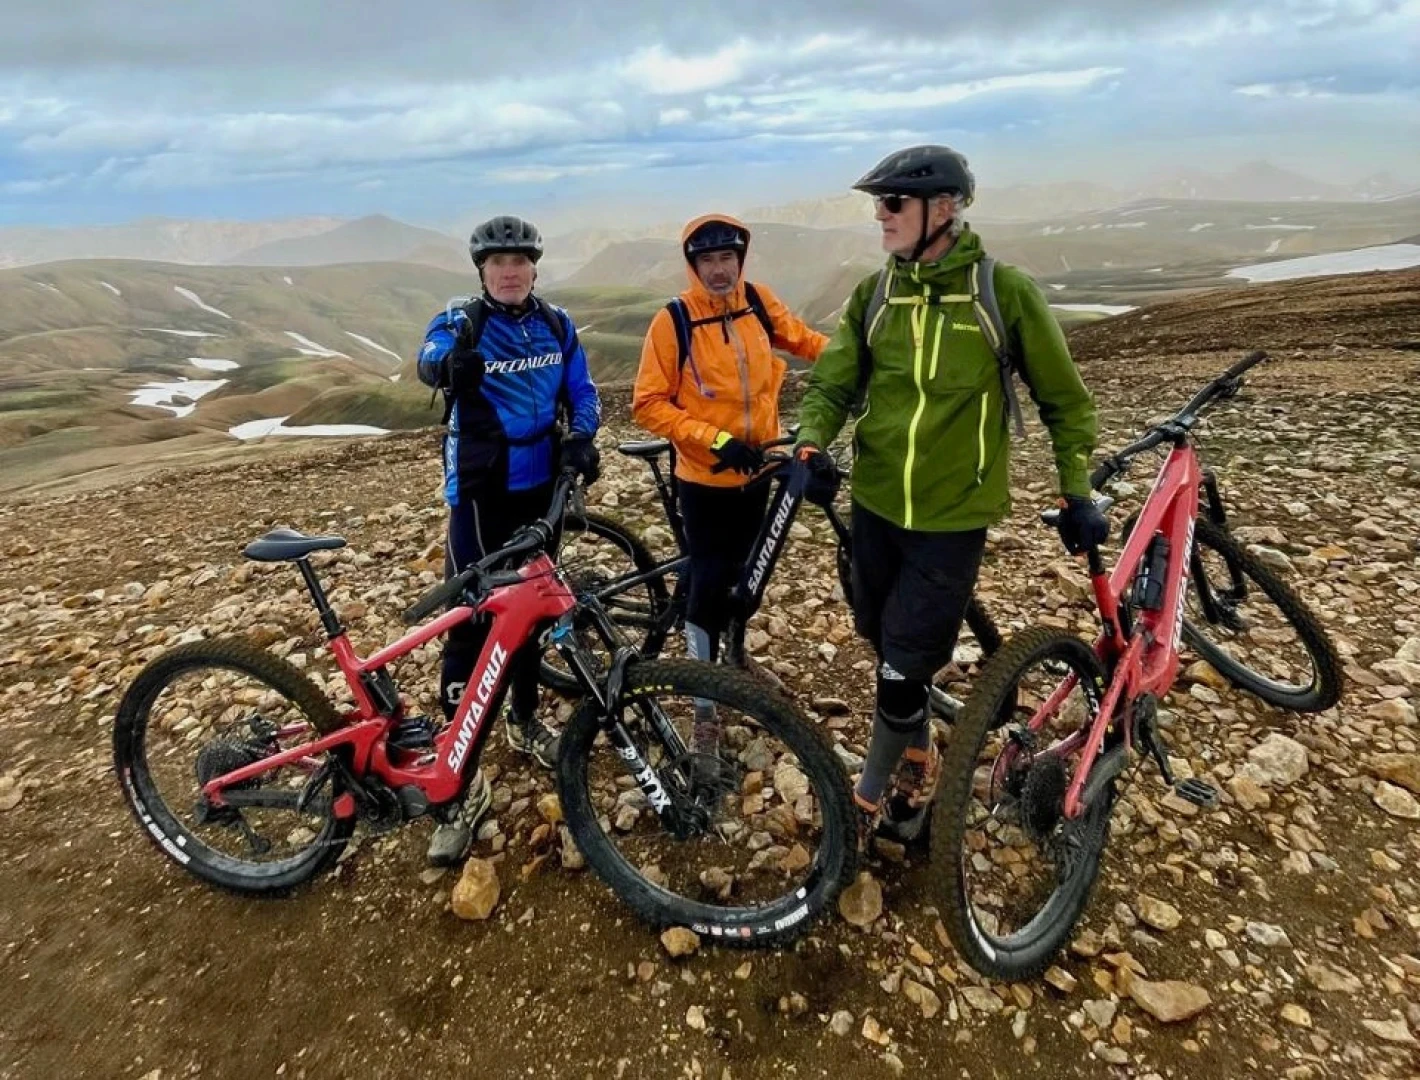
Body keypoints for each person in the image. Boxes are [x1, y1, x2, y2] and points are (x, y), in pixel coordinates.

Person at [792, 146, 1108, 841]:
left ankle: (867, 804)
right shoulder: (877, 294)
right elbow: (836, 381)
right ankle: (916, 748)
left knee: (902, 671)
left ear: (945, 209)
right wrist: (809, 444)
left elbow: (1066, 402)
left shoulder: (1002, 292)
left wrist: (1076, 491)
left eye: (894, 202)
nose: (881, 214)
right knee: (879, 639)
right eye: (880, 202)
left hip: (952, 518)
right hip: (874, 503)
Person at [417, 214, 601, 865]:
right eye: (499, 262)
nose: (510, 270)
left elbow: (584, 390)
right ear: (482, 271)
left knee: (529, 616)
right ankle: (459, 781)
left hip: (539, 489)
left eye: (520, 260)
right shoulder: (462, 321)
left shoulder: (556, 325)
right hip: (478, 493)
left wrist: (581, 438)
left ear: (533, 267)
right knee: (469, 622)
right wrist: (450, 368)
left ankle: (523, 723)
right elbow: (428, 357)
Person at [632, 214, 828, 760]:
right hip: (705, 478)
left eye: (727, 259)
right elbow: (648, 404)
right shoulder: (674, 321)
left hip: (758, 468)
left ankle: (734, 657)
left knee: (745, 574)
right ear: (693, 266)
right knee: (709, 582)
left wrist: (856, 362)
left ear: (740, 260)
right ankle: (704, 708)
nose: (719, 270)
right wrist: (714, 439)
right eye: (708, 261)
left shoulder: (757, 303)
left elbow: (805, 340)